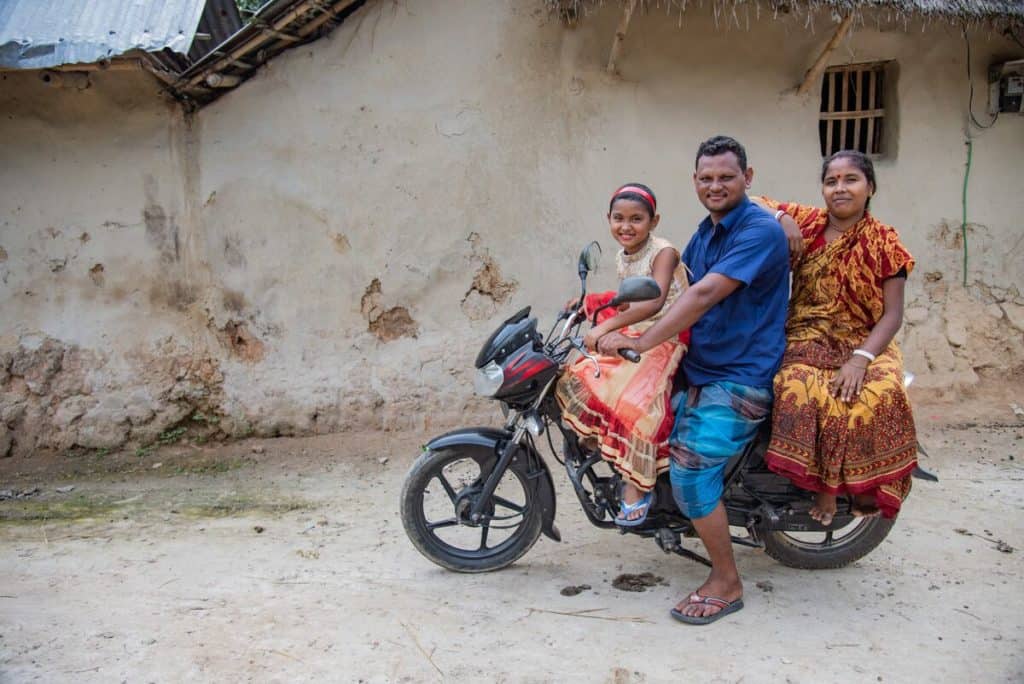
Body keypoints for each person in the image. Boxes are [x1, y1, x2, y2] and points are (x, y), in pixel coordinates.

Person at [598, 135, 790, 625]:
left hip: (740, 373)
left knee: (688, 470)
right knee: (628, 405)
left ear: (748, 178)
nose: (715, 185)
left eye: (726, 176)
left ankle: (726, 580)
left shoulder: (759, 231)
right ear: (695, 183)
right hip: (703, 361)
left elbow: (702, 294)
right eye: (706, 178)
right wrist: (606, 314)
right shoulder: (706, 232)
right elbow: (670, 293)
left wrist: (640, 344)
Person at [755, 150, 917, 525]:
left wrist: (861, 359)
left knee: (873, 395)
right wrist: (782, 218)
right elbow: (751, 200)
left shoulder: (885, 243)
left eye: (850, 180)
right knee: (798, 388)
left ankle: (845, 491)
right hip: (806, 338)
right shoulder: (809, 223)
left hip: (864, 341)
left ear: (869, 187)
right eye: (831, 181)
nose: (840, 188)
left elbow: (892, 315)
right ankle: (818, 487)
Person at [555, 183, 691, 526]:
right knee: (586, 371)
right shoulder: (623, 254)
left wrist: (605, 327)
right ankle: (604, 444)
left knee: (637, 406)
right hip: (640, 331)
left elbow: (655, 299)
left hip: (667, 336)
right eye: (619, 218)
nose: (626, 226)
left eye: (636, 219)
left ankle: (637, 485)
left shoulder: (664, 252)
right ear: (608, 219)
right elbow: (629, 298)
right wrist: (588, 305)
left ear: (653, 221)